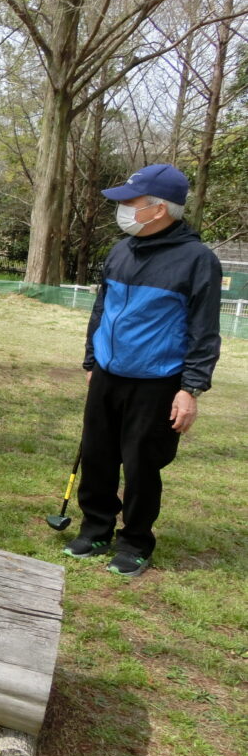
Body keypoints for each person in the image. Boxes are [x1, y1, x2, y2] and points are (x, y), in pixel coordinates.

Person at [65, 164, 222, 577]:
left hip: (157, 381)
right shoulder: (121, 250)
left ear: (159, 208)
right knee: (97, 457)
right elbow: (102, 310)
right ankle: (95, 529)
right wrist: (91, 360)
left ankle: (135, 542)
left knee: (141, 465)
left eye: (130, 202)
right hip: (107, 374)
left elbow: (204, 330)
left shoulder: (198, 260)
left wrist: (190, 388)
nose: (122, 209)